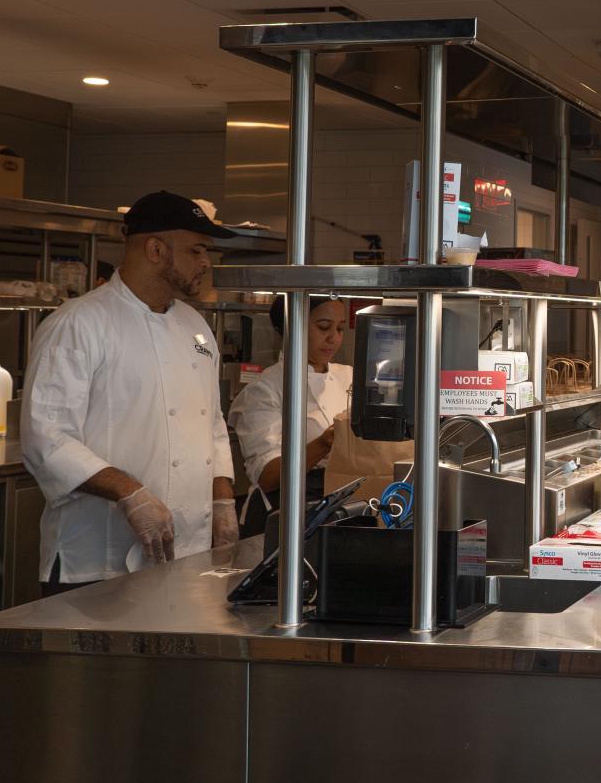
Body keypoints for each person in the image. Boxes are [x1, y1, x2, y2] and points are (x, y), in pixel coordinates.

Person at [22, 190, 239, 594]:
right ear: (155, 249)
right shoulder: (79, 323)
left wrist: (223, 498)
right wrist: (130, 494)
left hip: (187, 557)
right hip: (97, 564)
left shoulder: (195, 325)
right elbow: (45, 439)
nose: (206, 262)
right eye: (197, 250)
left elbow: (212, 422)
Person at [228, 294, 353, 535]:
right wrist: (324, 443)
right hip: (283, 512)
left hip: (337, 506)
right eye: (324, 327)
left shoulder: (349, 376)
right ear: (291, 327)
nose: (333, 338)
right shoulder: (264, 390)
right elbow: (268, 476)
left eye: (340, 329)